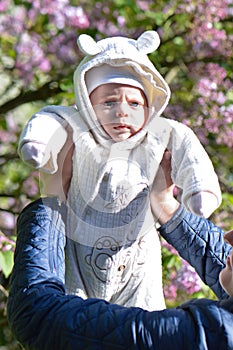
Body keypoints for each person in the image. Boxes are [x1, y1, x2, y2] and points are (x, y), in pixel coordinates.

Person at [17, 30, 222, 311]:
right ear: (87, 105)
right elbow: (50, 117)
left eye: (135, 103)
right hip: (80, 247)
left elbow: (188, 148)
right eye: (109, 102)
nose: (122, 112)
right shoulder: (80, 129)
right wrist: (37, 143)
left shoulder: (157, 134)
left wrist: (199, 190)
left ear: (151, 105)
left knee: (144, 309)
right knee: (75, 310)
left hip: (137, 251)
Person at [7, 152, 233, 349]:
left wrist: (52, 200)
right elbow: (223, 261)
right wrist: (166, 206)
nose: (229, 237)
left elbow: (36, 317)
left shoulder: (207, 335)